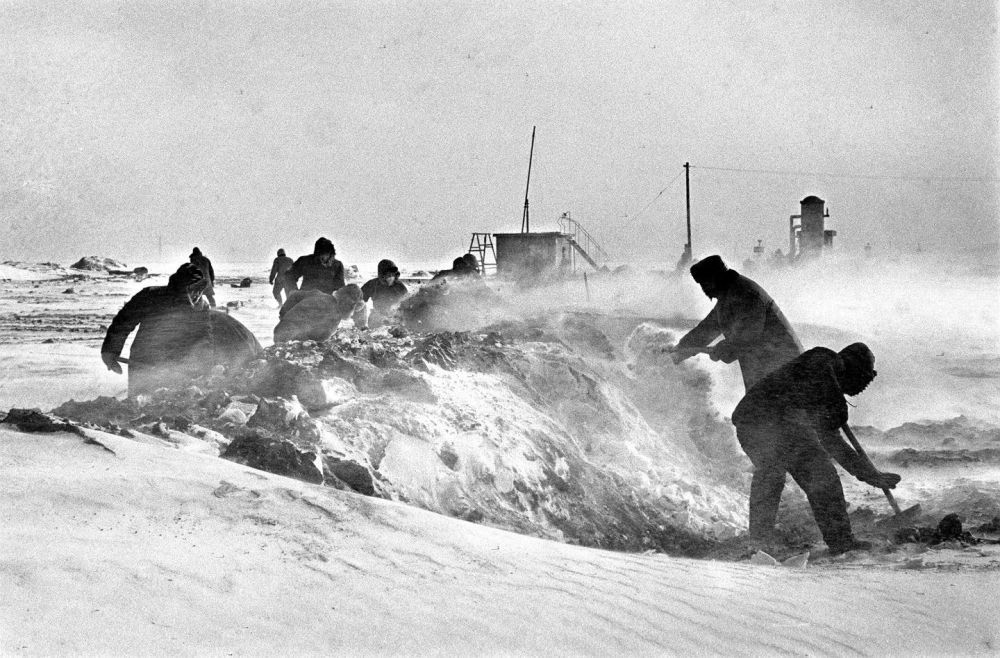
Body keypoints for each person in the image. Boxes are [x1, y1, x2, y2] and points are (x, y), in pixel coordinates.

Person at [731, 342, 902, 556]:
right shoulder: (824, 360)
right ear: (853, 367)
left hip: (770, 426)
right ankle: (764, 543)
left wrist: (869, 475)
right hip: (762, 422)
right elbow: (823, 372)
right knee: (796, 474)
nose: (863, 387)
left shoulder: (826, 385)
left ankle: (766, 540)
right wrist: (836, 403)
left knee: (797, 473)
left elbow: (833, 442)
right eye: (865, 377)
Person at [101, 263, 262, 397]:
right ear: (181, 287)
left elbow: (203, 339)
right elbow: (123, 323)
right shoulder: (151, 296)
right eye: (192, 289)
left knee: (168, 406)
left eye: (200, 289)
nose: (197, 294)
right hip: (144, 358)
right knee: (139, 404)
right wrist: (110, 350)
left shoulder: (201, 307)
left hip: (176, 366)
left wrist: (201, 368)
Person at [672, 255, 802, 390]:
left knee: (758, 410)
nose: (704, 289)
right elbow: (704, 332)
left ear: (716, 278)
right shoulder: (728, 297)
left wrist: (725, 348)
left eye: (705, 284)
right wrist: (677, 352)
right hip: (764, 375)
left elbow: (748, 337)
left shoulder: (746, 293)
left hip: (785, 370)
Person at [274, 284, 365, 343]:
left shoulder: (320, 296)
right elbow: (318, 339)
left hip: (283, 333)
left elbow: (294, 295)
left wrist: (284, 316)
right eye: (354, 307)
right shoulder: (331, 313)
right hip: (289, 339)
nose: (353, 312)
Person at [353, 259, 408, 329]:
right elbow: (358, 301)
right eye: (388, 275)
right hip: (377, 317)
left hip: (395, 318)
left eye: (392, 275)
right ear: (382, 275)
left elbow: (408, 304)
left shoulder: (400, 286)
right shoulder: (373, 284)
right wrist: (360, 323)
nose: (391, 277)